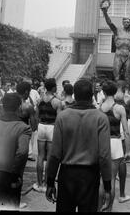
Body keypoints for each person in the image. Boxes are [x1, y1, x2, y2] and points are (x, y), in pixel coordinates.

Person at [45, 79, 112, 212]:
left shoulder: (63, 117)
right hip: (89, 176)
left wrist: (50, 182)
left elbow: (54, 154)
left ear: (74, 94)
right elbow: (104, 156)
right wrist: (107, 187)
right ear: (92, 95)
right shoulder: (101, 118)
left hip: (67, 174)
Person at [0, 93, 32, 210]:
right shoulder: (23, 128)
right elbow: (23, 152)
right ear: (19, 107)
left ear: (2, 106)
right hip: (10, 176)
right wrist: (14, 175)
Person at [98, 80, 130, 211]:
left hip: (102, 143)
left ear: (104, 92)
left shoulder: (99, 108)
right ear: (115, 92)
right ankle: (109, 209)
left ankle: (99, 207)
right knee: (111, 179)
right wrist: (127, 151)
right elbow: (126, 132)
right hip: (116, 144)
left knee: (101, 180)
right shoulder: (119, 108)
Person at [100, 0, 130, 83]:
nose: (126, 23)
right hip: (118, 54)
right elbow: (110, 23)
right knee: (116, 74)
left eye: (128, 21)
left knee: (127, 76)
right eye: (125, 21)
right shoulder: (117, 30)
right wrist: (105, 13)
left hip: (128, 55)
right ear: (122, 22)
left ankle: (126, 91)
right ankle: (117, 90)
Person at [33, 78, 63, 193]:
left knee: (40, 156)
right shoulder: (57, 102)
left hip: (41, 126)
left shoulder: (40, 100)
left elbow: (36, 116)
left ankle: (39, 183)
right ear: (54, 87)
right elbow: (59, 120)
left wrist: (35, 127)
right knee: (50, 157)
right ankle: (46, 184)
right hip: (51, 127)